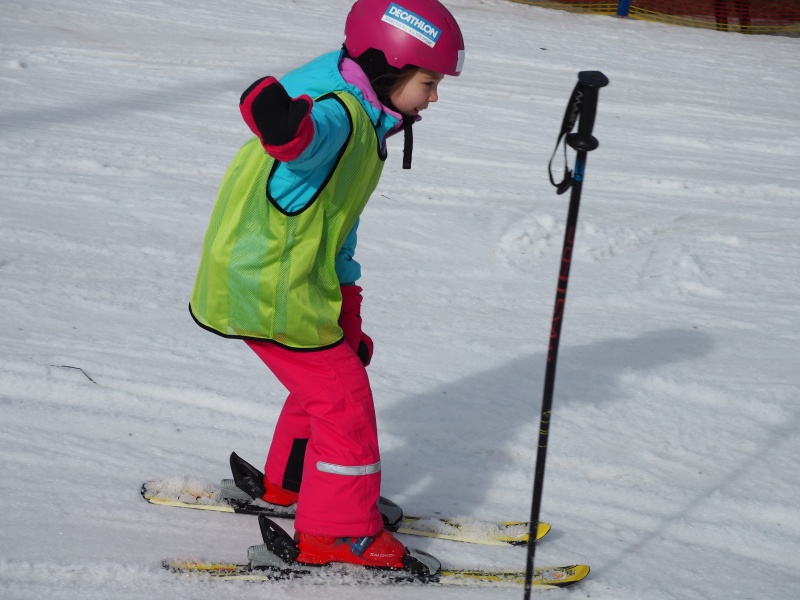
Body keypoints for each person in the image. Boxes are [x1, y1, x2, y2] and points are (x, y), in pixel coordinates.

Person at [188, 0, 465, 569]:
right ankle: (337, 533)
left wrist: (347, 300)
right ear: (388, 69)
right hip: (269, 286)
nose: (434, 97)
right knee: (344, 404)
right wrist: (287, 132)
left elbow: (335, 220)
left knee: (329, 380)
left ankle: (291, 487)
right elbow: (306, 139)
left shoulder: (365, 111)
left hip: (290, 280)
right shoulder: (340, 116)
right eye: (429, 82)